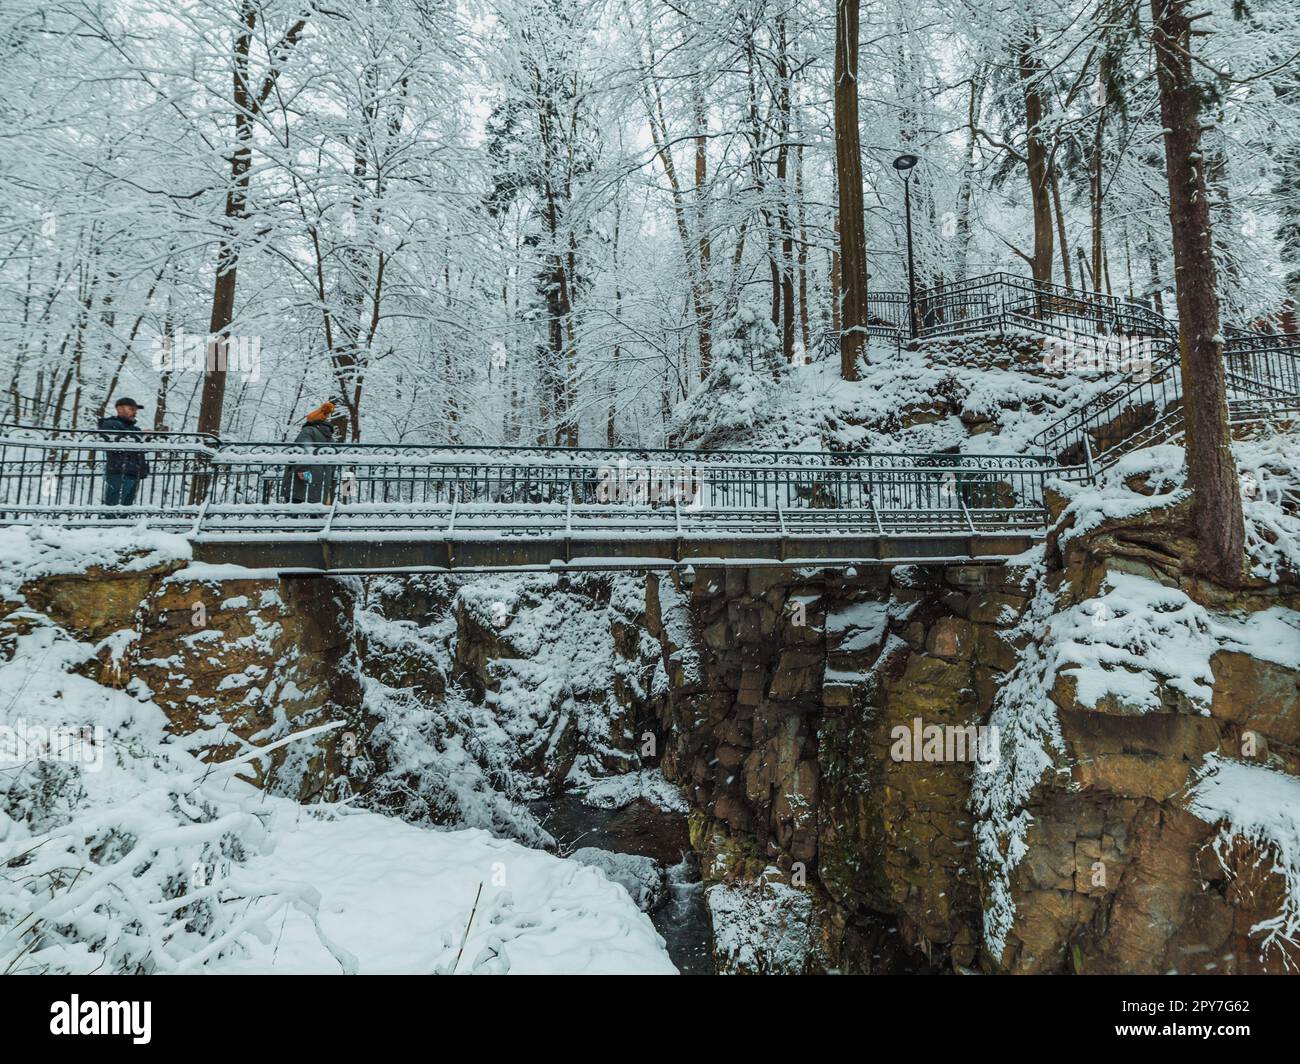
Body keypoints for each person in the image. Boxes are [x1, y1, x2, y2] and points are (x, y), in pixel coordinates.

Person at [281, 401, 337, 503]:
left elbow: (305, 450)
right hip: (321, 481)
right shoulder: (330, 438)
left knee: (294, 510)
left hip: (302, 478)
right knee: (315, 513)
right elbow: (332, 463)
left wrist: (303, 471)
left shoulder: (308, 431)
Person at [97, 397, 149, 505]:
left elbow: (143, 448)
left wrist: (153, 437)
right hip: (119, 472)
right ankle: (108, 522)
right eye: (131, 409)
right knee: (113, 508)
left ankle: (123, 522)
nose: (134, 413)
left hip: (134, 473)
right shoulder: (110, 424)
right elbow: (122, 442)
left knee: (126, 509)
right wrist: (142, 436)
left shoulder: (135, 429)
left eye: (135, 410)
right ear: (119, 409)